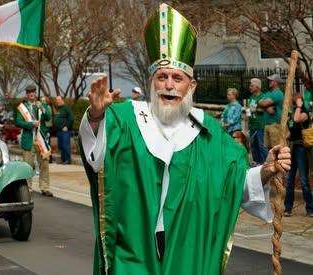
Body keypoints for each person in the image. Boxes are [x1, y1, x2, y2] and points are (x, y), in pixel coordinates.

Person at [79, 4, 291, 274]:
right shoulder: (124, 120)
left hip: (188, 251)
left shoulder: (210, 135)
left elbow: (233, 181)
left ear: (191, 86)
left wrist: (266, 170)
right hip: (134, 253)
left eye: (177, 78)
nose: (169, 84)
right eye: (162, 77)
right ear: (151, 82)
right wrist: (96, 115)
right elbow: (96, 159)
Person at [16, 84, 52, 196]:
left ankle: (45, 188)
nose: (32, 94)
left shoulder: (41, 105)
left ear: (35, 94)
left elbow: (48, 117)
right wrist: (31, 124)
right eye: (29, 93)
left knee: (44, 164)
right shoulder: (22, 108)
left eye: (33, 92)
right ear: (26, 95)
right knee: (28, 165)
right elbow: (19, 122)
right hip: (29, 139)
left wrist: (42, 108)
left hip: (40, 139)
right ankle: (28, 188)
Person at [284, 93, 313, 217]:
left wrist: (300, 106)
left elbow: (297, 119)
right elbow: (291, 129)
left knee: (303, 179)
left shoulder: (304, 112)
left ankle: (310, 208)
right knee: (289, 179)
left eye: (293, 101)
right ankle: (288, 207)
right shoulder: (292, 112)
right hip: (292, 147)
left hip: (301, 148)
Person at [258, 74, 284, 150]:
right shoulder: (268, 93)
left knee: (276, 148)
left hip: (275, 124)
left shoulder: (278, 93)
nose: (269, 81)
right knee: (269, 149)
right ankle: (272, 162)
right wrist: (266, 108)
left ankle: (277, 162)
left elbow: (264, 103)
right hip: (267, 124)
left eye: (271, 80)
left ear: (276, 82)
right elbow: (259, 102)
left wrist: (264, 105)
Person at [247, 78, 268, 166]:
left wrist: (254, 110)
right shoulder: (251, 97)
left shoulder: (263, 97)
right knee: (253, 146)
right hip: (252, 125)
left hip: (260, 125)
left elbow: (264, 109)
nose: (250, 87)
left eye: (252, 85)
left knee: (261, 145)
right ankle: (256, 164)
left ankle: (265, 163)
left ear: (257, 87)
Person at [53, 96, 74, 164]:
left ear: (62, 100)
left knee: (65, 145)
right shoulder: (58, 109)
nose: (57, 101)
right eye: (56, 100)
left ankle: (68, 159)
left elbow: (71, 118)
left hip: (65, 131)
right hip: (59, 131)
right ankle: (63, 159)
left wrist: (67, 126)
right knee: (60, 146)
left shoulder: (66, 108)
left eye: (59, 100)